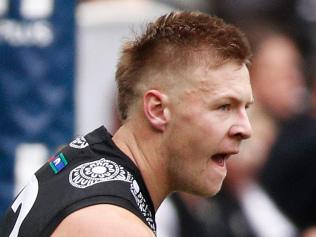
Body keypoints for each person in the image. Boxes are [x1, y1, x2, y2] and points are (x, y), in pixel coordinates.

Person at [0, 11, 253, 237]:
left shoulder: (89, 164)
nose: (245, 129)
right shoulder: (112, 225)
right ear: (157, 110)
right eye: (224, 107)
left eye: (246, 108)